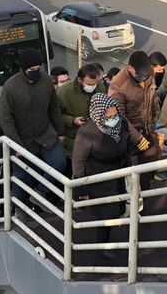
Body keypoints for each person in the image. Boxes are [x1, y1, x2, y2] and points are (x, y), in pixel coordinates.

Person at [73, 93, 139, 259]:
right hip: (99, 179)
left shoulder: (121, 123)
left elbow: (127, 146)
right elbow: (79, 162)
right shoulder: (87, 132)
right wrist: (82, 189)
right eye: (109, 117)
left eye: (115, 115)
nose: (113, 119)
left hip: (119, 175)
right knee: (106, 214)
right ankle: (102, 247)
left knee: (119, 210)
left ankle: (109, 242)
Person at [0, 49, 66, 209]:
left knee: (59, 163)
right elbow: (6, 119)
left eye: (39, 69)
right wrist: (16, 145)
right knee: (21, 176)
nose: (36, 72)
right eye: (32, 70)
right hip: (22, 140)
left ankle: (40, 193)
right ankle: (18, 210)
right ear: (24, 69)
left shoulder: (47, 81)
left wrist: (60, 132)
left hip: (46, 134)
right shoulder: (10, 87)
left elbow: (54, 108)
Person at [108, 51, 158, 196]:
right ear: (130, 68)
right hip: (128, 134)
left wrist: (154, 118)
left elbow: (152, 98)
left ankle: (146, 194)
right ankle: (131, 197)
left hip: (146, 128)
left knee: (150, 163)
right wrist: (137, 138)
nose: (144, 78)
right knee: (129, 170)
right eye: (141, 75)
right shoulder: (118, 86)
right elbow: (119, 117)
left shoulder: (148, 75)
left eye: (147, 75)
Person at [58, 63, 106, 156]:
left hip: (97, 136)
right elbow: (56, 115)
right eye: (89, 84)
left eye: (95, 83)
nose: (92, 86)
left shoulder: (100, 87)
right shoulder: (65, 92)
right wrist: (73, 120)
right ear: (80, 80)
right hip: (74, 138)